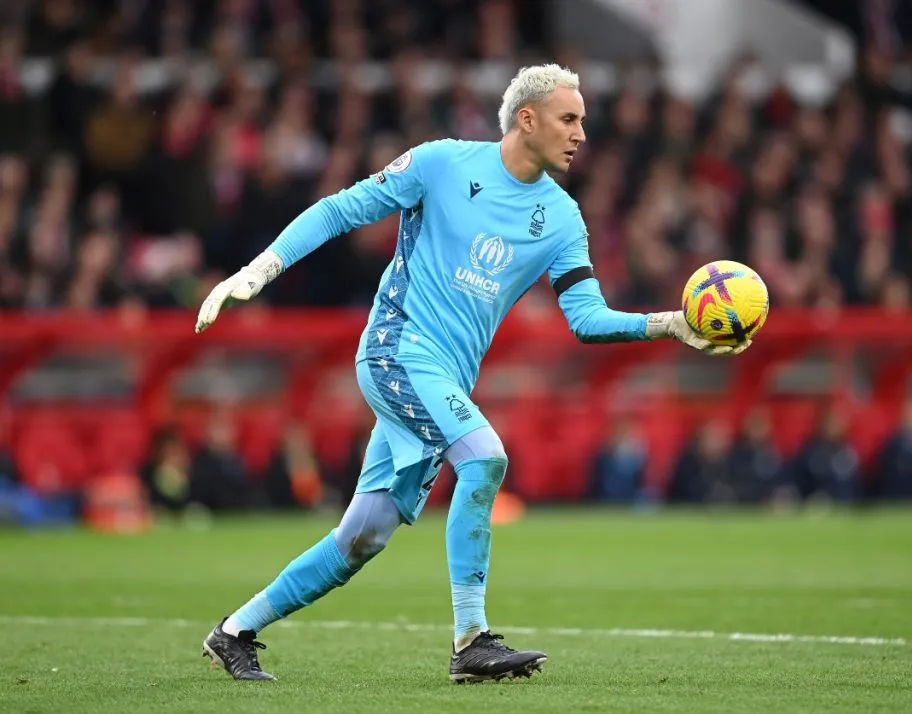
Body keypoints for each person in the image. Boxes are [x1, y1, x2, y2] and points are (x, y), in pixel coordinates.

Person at [193, 64, 751, 684]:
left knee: (364, 537)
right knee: (485, 458)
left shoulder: (563, 218)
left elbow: (586, 318)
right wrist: (261, 270)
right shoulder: (441, 164)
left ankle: (235, 631)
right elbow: (339, 211)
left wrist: (670, 324)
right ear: (527, 119)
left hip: (445, 382)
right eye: (570, 119)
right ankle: (470, 641)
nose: (581, 135)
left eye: (584, 122)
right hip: (395, 349)